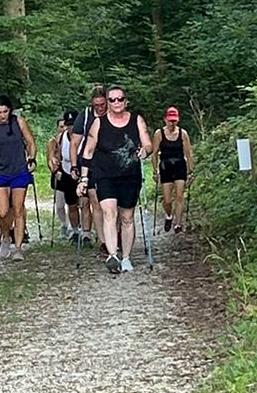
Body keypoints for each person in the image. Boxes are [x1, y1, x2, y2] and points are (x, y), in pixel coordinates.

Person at [78, 83, 152, 274]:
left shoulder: (136, 120)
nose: (116, 102)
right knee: (109, 213)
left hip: (129, 175)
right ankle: (112, 254)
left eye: (120, 99)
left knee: (127, 217)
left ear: (125, 101)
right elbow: (88, 150)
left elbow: (148, 144)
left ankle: (126, 257)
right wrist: (84, 179)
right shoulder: (99, 123)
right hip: (105, 175)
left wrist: (145, 150)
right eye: (112, 99)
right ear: (108, 103)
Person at [0, 94, 37, 259]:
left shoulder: (19, 122)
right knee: (3, 211)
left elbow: (30, 142)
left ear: (10, 110)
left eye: (5, 111)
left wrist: (32, 158)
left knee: (18, 209)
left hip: (19, 170)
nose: (2, 115)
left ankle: (18, 248)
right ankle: (5, 236)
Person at [71, 86, 107, 250]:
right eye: (96, 105)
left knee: (112, 203)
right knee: (95, 201)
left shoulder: (114, 113)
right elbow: (74, 143)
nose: (99, 108)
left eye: (102, 104)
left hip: (110, 161)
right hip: (89, 161)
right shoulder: (84, 116)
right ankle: (103, 241)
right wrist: (73, 166)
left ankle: (114, 234)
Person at [152, 105, 195, 233]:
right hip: (165, 167)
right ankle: (169, 215)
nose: (172, 123)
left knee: (180, 196)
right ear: (165, 119)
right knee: (167, 199)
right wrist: (155, 171)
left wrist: (191, 171)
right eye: (170, 120)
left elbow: (188, 153)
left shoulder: (183, 133)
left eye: (174, 120)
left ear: (178, 120)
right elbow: (154, 154)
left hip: (179, 166)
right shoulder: (159, 133)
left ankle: (178, 224)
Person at [48, 111, 84, 241]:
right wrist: (54, 164)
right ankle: (75, 231)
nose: (71, 127)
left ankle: (86, 232)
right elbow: (54, 154)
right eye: (68, 125)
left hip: (83, 171)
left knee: (85, 203)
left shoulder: (84, 136)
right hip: (67, 173)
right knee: (71, 205)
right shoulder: (59, 138)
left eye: (73, 124)